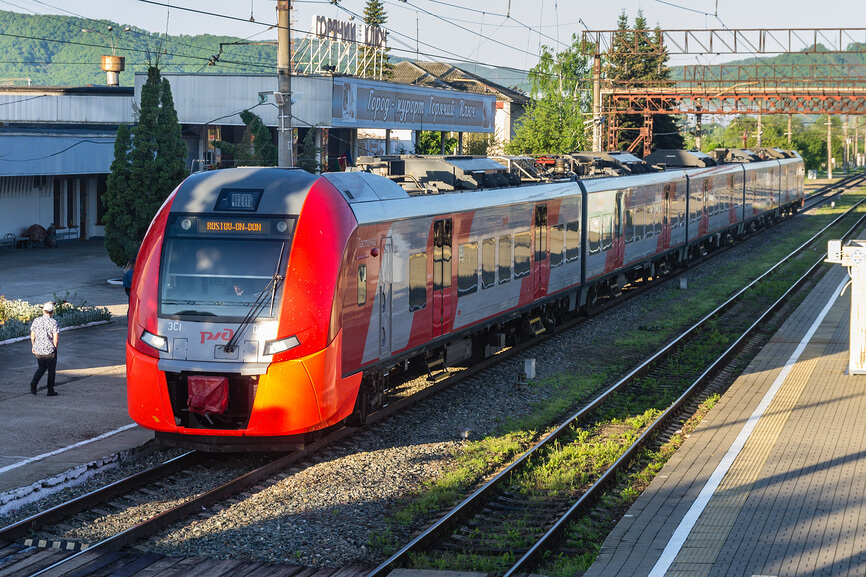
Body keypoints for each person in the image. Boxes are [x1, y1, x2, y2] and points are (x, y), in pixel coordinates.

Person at [29, 301, 59, 396]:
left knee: (41, 368)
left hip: (39, 349)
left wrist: (33, 346)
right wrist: (55, 346)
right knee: (51, 370)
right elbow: (55, 337)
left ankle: (34, 382)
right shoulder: (53, 322)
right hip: (49, 350)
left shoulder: (36, 320)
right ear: (52, 312)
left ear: (43, 311)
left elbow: (32, 335)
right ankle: (50, 390)